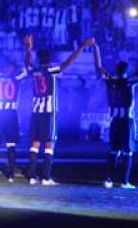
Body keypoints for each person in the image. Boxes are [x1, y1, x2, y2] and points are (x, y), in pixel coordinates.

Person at [25, 34, 94, 186]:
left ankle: (31, 176)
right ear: (49, 59)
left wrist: (28, 48)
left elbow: (28, 64)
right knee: (49, 143)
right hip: (49, 112)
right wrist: (82, 46)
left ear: (39, 58)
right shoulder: (51, 70)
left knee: (35, 142)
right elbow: (67, 63)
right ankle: (46, 177)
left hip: (36, 111)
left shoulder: (34, 70)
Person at [94, 41, 138, 189]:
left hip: (115, 121)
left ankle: (108, 179)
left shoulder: (111, 81)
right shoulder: (129, 81)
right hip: (127, 120)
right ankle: (125, 182)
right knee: (128, 152)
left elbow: (99, 67)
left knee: (114, 150)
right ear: (127, 70)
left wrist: (96, 48)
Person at [0, 37, 30, 183]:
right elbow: (27, 70)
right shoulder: (16, 77)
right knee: (10, 145)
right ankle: (10, 174)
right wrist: (28, 49)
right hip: (9, 114)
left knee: (2, 143)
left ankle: (9, 172)